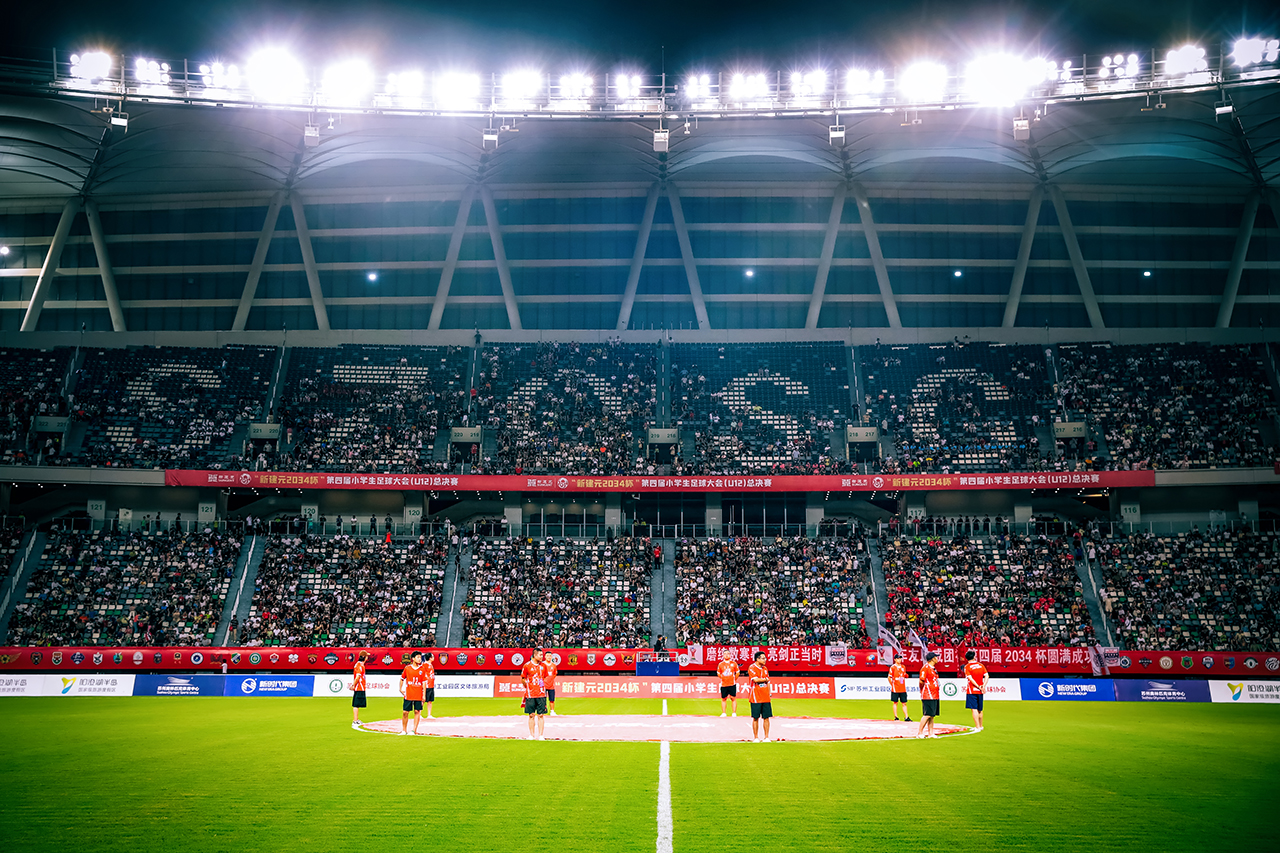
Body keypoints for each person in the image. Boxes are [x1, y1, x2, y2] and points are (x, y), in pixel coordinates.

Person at [521, 647, 548, 740]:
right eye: (540, 655)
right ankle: (531, 735)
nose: (542, 657)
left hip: (541, 694)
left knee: (541, 715)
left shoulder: (543, 666)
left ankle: (541, 735)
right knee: (531, 715)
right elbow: (523, 678)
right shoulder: (527, 666)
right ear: (535, 655)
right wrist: (528, 687)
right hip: (530, 694)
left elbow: (544, 677)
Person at [400, 650, 427, 736]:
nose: (419, 659)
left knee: (417, 711)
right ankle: (404, 730)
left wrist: (424, 695)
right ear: (413, 658)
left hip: (418, 694)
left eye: (420, 657)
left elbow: (424, 683)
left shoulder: (422, 669)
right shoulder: (407, 668)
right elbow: (402, 678)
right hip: (409, 694)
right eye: (418, 657)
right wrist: (400, 689)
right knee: (405, 712)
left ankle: (414, 730)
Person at [747, 651, 772, 743]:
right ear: (757, 659)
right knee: (755, 717)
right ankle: (756, 737)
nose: (765, 660)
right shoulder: (752, 668)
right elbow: (756, 680)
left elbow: (768, 682)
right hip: (756, 696)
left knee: (766, 717)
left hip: (765, 696)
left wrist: (769, 693)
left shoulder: (765, 669)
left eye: (765, 658)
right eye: (763, 658)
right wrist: (765, 679)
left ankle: (766, 737)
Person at [916, 651, 940, 740]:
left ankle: (931, 733)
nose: (937, 658)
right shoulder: (925, 668)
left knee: (932, 715)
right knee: (927, 714)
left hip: (935, 694)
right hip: (928, 694)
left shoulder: (933, 669)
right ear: (932, 659)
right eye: (936, 657)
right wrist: (923, 690)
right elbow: (921, 681)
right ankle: (920, 732)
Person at [963, 650, 989, 731]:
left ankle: (977, 727)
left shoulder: (967, 667)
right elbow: (987, 675)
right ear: (974, 657)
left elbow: (970, 679)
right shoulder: (981, 665)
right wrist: (983, 686)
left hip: (972, 690)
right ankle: (981, 726)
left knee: (974, 709)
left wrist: (978, 686)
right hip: (980, 691)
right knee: (980, 709)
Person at [888, 654, 911, 722]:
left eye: (900, 658)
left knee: (904, 703)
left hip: (902, 688)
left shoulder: (903, 667)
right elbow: (889, 677)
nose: (899, 660)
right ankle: (896, 717)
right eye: (898, 658)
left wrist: (906, 675)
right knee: (895, 702)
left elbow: (904, 675)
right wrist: (892, 684)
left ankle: (906, 717)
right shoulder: (893, 667)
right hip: (895, 688)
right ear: (895, 659)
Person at [717, 648, 740, 717]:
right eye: (725, 654)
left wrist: (734, 679)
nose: (726, 655)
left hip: (732, 684)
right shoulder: (720, 664)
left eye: (728, 654)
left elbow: (737, 672)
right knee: (723, 699)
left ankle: (734, 713)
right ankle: (724, 713)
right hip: (724, 684)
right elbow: (718, 673)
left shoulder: (734, 663)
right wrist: (723, 678)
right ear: (723, 655)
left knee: (733, 698)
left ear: (730, 655)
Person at [352, 650, 368, 728]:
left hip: (360, 686)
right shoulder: (360, 665)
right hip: (359, 687)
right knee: (356, 704)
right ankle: (355, 720)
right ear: (364, 657)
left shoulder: (359, 665)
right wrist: (353, 685)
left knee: (357, 704)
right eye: (366, 656)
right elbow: (358, 677)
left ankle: (356, 719)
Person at [422, 651, 437, 720]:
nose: (433, 658)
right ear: (430, 658)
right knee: (423, 700)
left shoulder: (430, 665)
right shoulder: (424, 665)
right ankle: (419, 714)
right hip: (426, 685)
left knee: (430, 700)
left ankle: (429, 714)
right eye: (432, 657)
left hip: (431, 685)